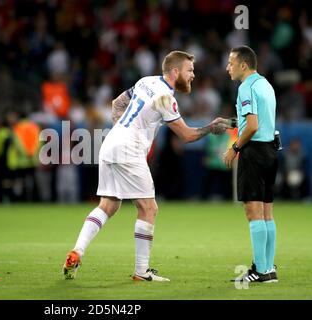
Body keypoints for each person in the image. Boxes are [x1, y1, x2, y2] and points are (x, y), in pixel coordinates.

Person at [63, 51, 231, 281]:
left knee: (108, 205)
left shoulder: (146, 81)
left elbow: (117, 103)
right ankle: (141, 272)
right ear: (175, 71)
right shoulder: (166, 98)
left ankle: (77, 251)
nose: (193, 75)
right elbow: (187, 135)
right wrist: (211, 127)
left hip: (111, 142)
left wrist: (122, 127)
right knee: (149, 208)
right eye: (190, 70)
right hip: (128, 149)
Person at [224, 46, 278, 283]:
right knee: (267, 213)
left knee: (253, 212)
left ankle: (261, 272)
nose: (228, 68)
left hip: (253, 152)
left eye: (231, 63)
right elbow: (258, 121)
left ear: (243, 65)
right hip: (270, 151)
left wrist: (234, 147)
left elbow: (252, 125)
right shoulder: (265, 84)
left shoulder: (245, 87)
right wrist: (230, 122)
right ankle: (267, 267)